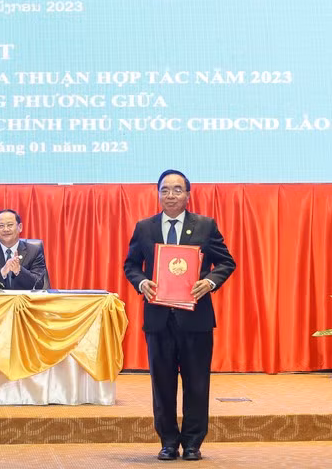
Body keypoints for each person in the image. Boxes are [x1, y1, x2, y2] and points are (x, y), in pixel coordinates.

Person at [123, 170, 236, 461]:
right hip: (159, 319)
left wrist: (209, 282)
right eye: (165, 190)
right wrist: (141, 282)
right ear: (157, 193)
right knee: (162, 384)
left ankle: (194, 443)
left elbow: (226, 262)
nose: (170, 195)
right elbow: (131, 265)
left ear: (188, 194)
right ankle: (168, 442)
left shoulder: (206, 226)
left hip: (195, 319)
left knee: (197, 383)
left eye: (177, 190)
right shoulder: (145, 227)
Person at [0, 209, 47, 289]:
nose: (6, 229)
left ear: (20, 227)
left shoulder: (34, 252)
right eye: (1, 226)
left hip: (24, 300)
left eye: (10, 225)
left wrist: (19, 270)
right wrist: (2, 272)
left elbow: (39, 284)